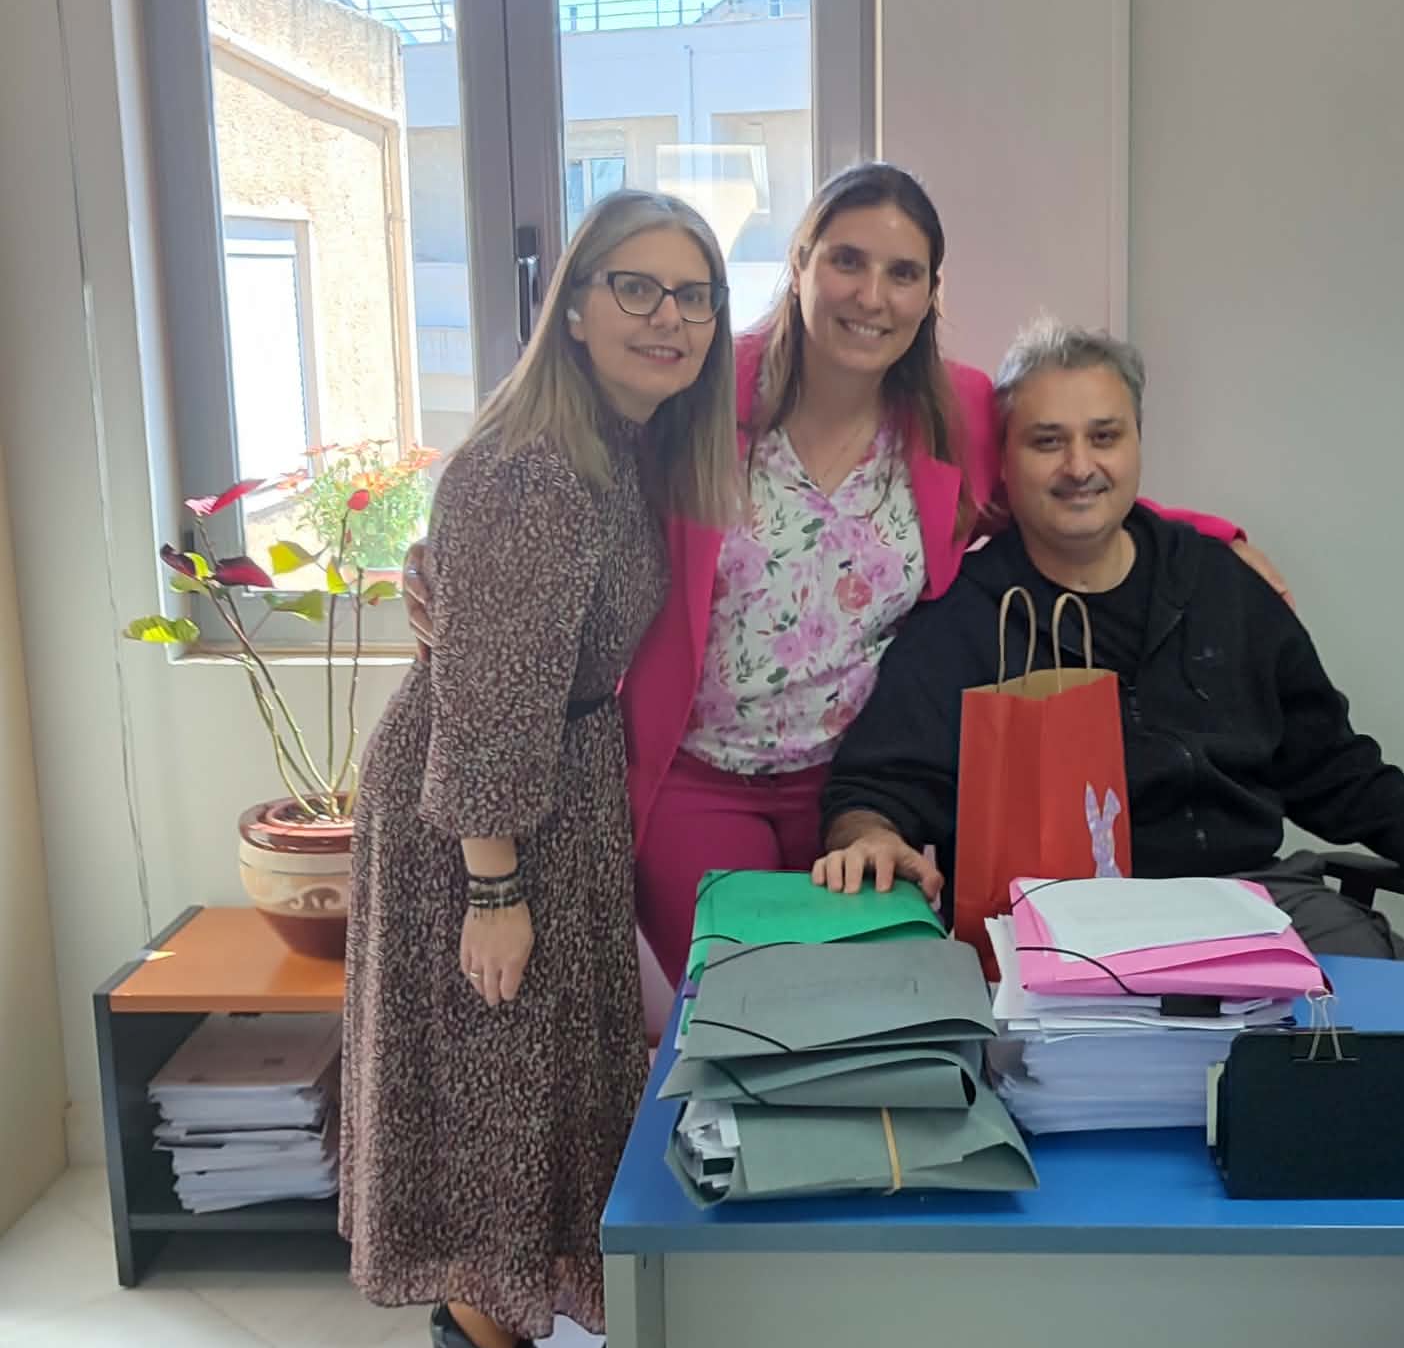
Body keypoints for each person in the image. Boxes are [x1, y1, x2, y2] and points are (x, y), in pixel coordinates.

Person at [409, 164, 1278, 1008]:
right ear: (800, 264)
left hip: (863, 791)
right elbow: (579, 477)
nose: (872, 295)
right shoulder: (708, 389)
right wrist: (450, 556)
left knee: (864, 1018)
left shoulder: (955, 412)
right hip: (697, 783)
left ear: (930, 293)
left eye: (903, 273)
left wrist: (1208, 537)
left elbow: (1060, 483)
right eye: (847, 261)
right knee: (753, 1014)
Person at [342, 191, 736, 1348]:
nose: (668, 318)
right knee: (494, 1085)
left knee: (532, 1079)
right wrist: (492, 887)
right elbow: (495, 697)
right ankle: (485, 1338)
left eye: (693, 296)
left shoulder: (616, 444)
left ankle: (490, 1333)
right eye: (636, 287)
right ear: (572, 307)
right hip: (481, 814)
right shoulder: (534, 471)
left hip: (543, 788)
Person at [813, 319, 1404, 967]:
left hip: (1254, 904)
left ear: (1138, 444)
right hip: (1061, 933)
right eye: (1048, 441)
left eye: (1105, 437)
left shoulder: (1221, 584)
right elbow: (876, 784)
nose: (1079, 466)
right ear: (1006, 458)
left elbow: (1329, 759)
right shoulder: (967, 616)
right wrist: (869, 835)